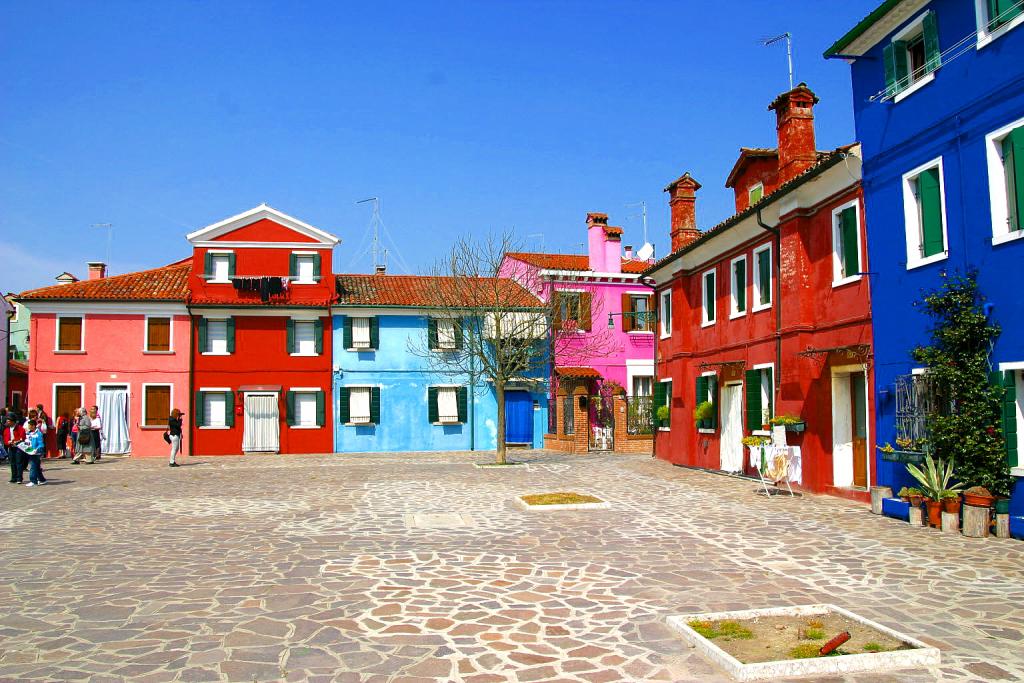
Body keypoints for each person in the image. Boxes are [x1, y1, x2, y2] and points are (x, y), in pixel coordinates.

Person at [21, 419, 45, 487]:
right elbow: (27, 441)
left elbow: (41, 444)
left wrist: (37, 449)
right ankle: (42, 479)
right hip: (30, 451)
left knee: (33, 467)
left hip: (36, 453)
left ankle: (33, 481)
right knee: (36, 467)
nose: (28, 427)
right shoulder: (29, 433)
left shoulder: (38, 434)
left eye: (29, 426)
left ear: (33, 426)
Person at [3, 417, 26, 483]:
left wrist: (15, 441)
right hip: (11, 447)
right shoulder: (6, 430)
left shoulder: (20, 428)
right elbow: (5, 439)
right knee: (12, 463)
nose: (7, 423)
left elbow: (22, 437)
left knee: (19, 462)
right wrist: (8, 442)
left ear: (13, 422)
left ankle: (19, 478)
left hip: (18, 447)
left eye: (8, 421)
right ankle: (13, 478)